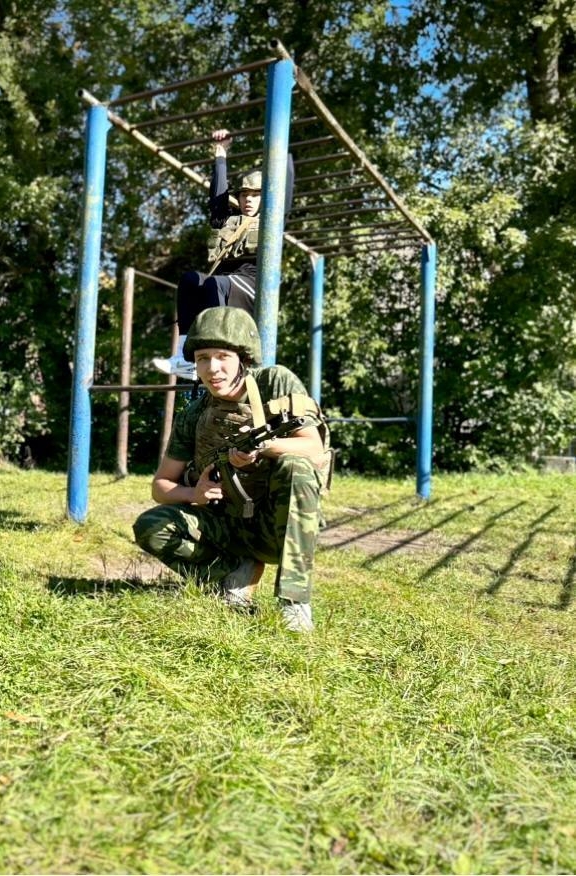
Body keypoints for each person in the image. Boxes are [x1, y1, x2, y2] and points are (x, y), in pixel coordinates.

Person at [133, 307, 328, 632]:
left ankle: (294, 603)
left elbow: (314, 449)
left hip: (277, 525)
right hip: (225, 526)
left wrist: (264, 448)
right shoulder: (194, 414)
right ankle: (231, 573)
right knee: (151, 525)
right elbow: (161, 485)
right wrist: (193, 493)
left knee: (297, 466)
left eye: (222, 356)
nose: (212, 368)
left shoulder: (274, 382)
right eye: (202, 358)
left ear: (243, 358)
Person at [153, 129, 294, 380]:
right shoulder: (228, 221)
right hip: (225, 283)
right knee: (190, 280)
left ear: (267, 197)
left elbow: (286, 188)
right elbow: (217, 197)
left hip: (254, 286)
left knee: (216, 284)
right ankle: (184, 357)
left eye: (255, 195)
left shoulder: (272, 220)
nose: (248, 200)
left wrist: (283, 145)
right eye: (244, 195)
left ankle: (214, 352)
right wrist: (221, 152)